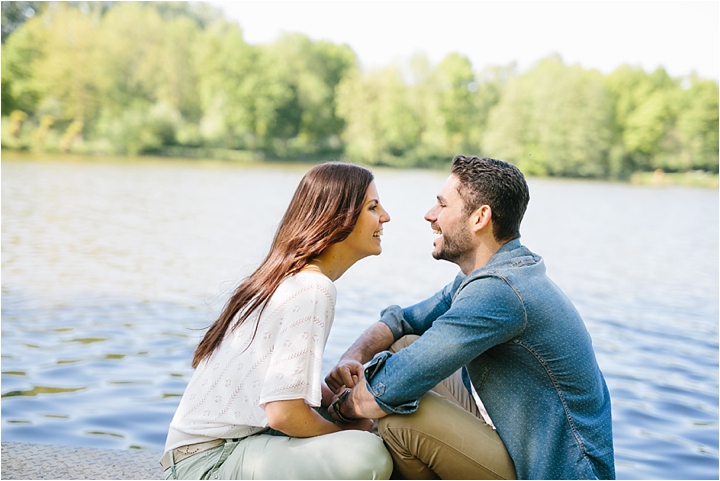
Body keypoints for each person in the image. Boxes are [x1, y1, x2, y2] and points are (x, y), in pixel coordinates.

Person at [325, 155, 615, 480]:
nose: (429, 215)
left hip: (550, 472)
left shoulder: (501, 291)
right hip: (513, 440)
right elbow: (402, 322)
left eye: (442, 205)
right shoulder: (488, 274)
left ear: (480, 218)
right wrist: (352, 357)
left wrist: (337, 409)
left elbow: (393, 386)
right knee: (405, 344)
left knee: (400, 418)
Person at [161, 162, 394, 480]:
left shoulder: (289, 279)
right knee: (367, 455)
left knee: (370, 421)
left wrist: (330, 395)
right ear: (340, 218)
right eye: (373, 207)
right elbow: (283, 413)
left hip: (209, 453)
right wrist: (347, 433)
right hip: (207, 465)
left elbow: (268, 386)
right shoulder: (312, 288)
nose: (386, 216)